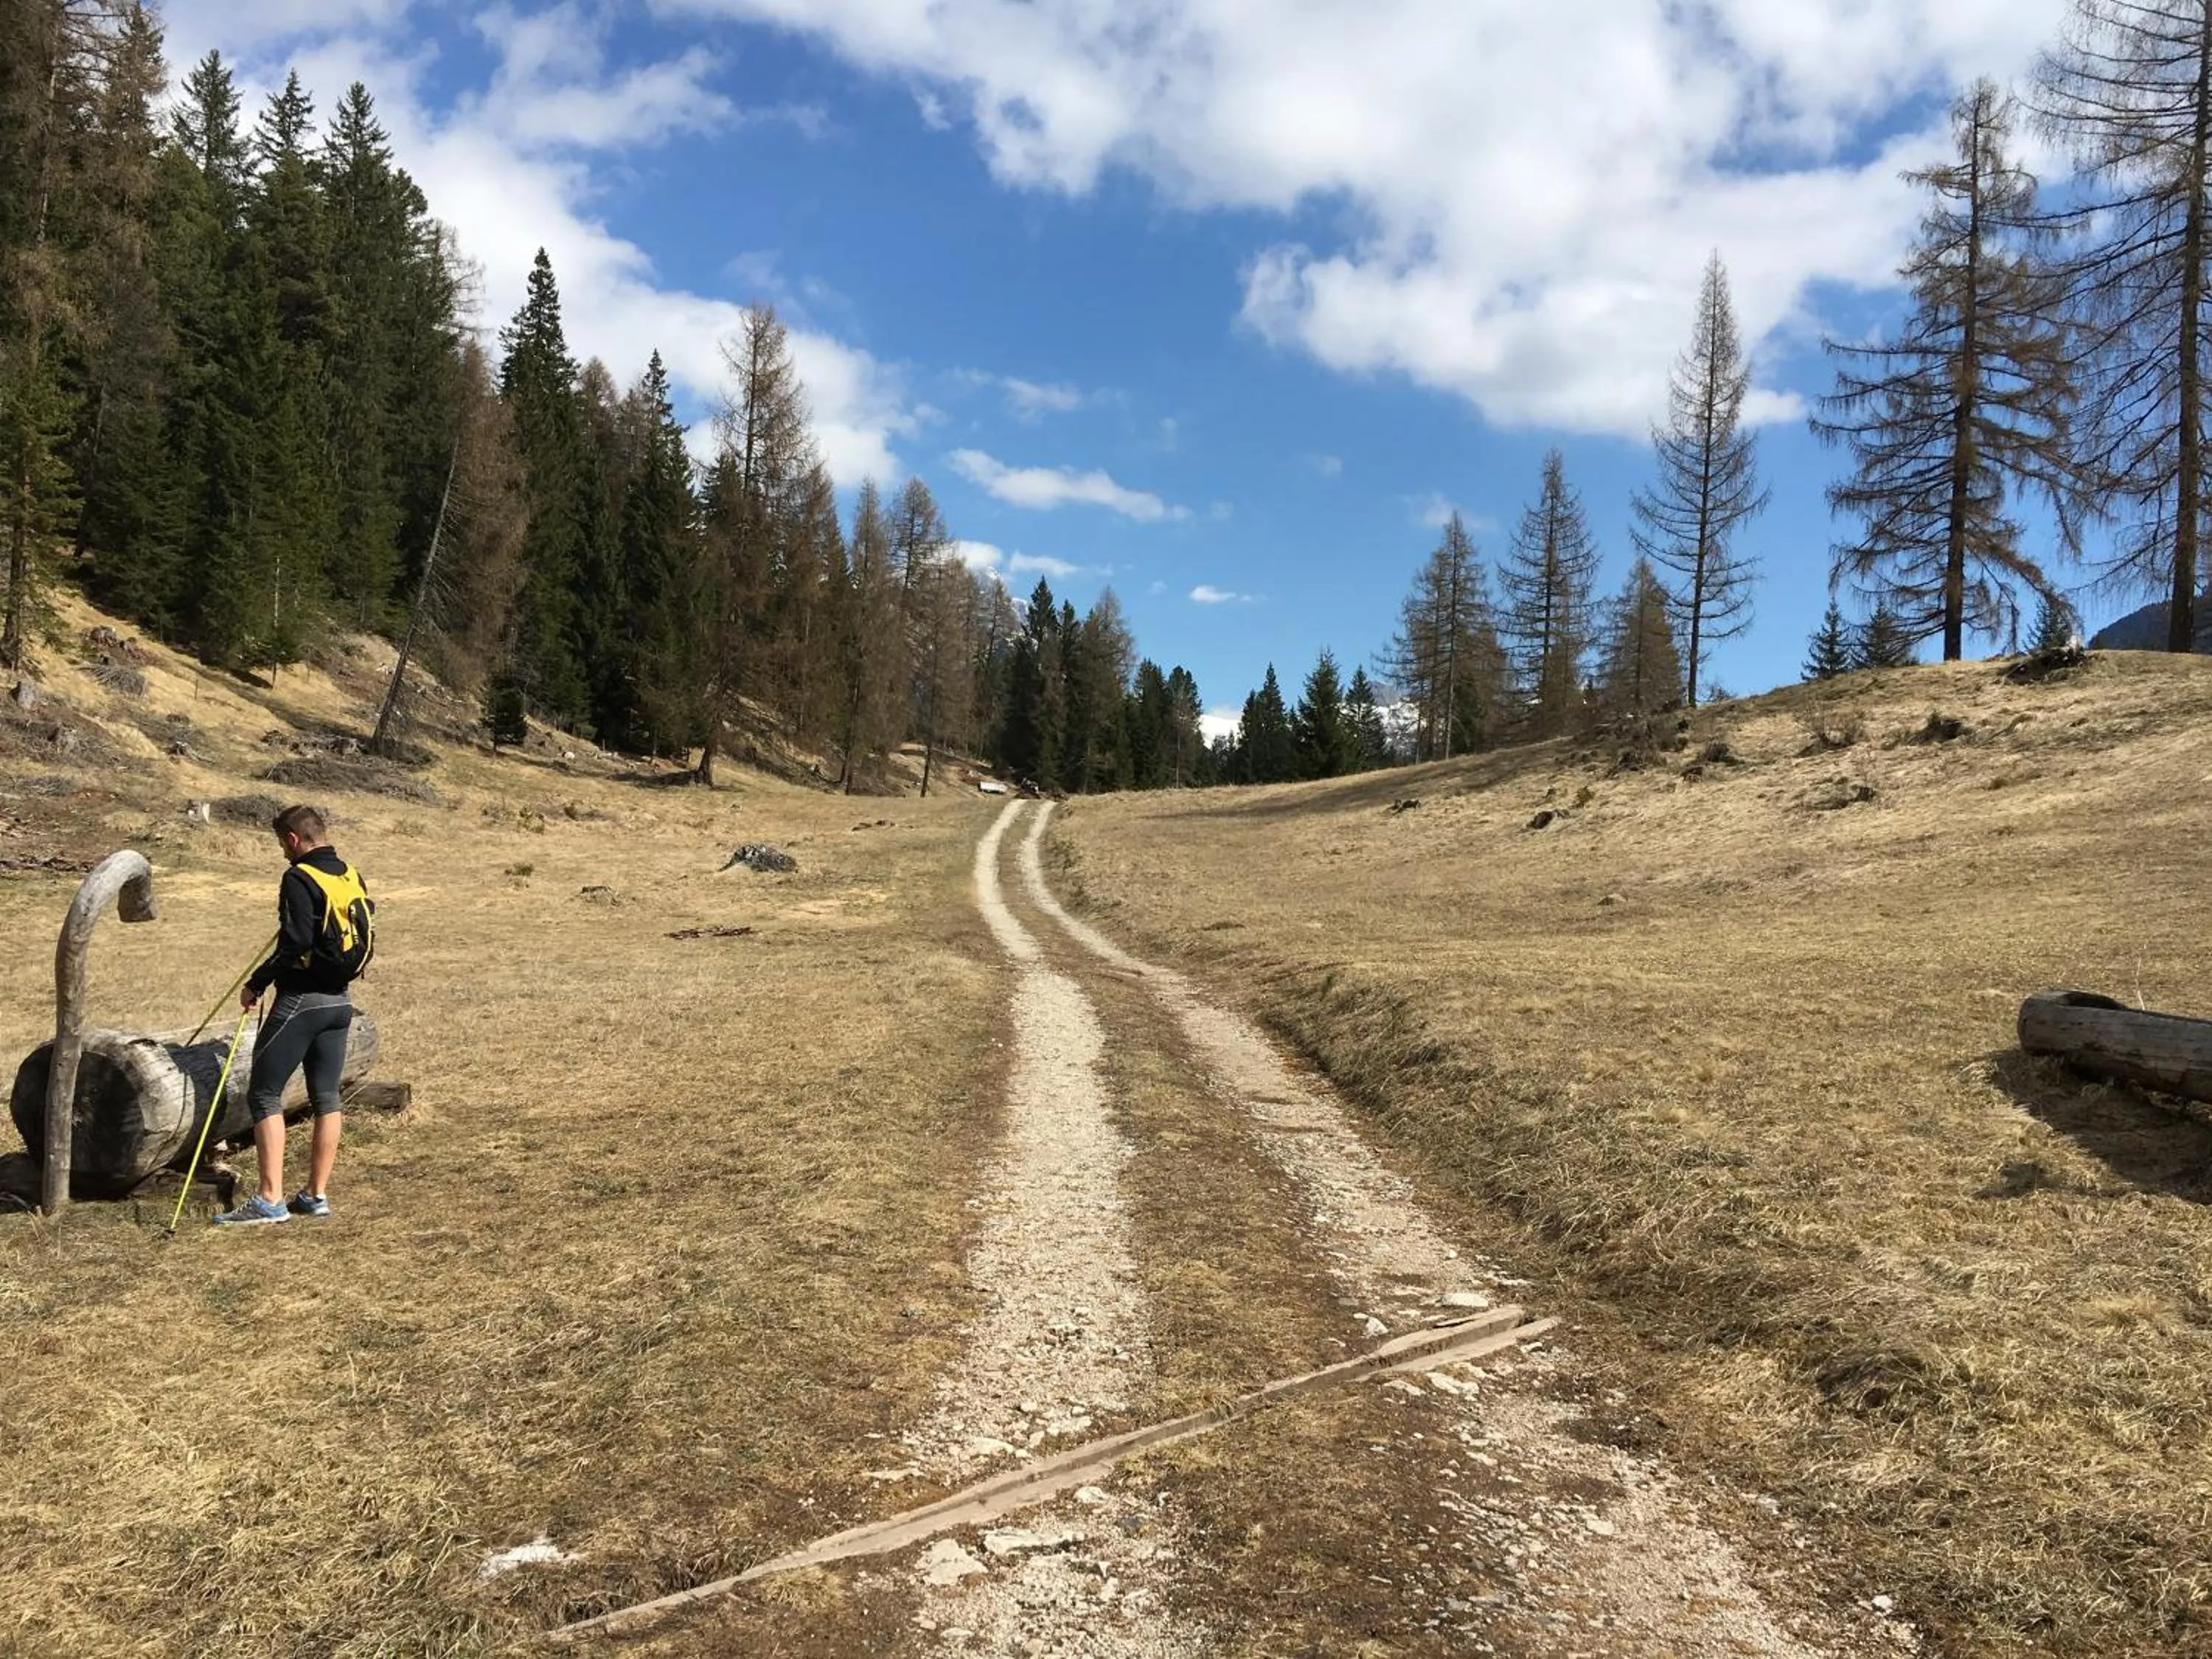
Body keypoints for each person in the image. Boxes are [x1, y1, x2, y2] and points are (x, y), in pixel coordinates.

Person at [212, 804, 375, 1227]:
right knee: (327, 1097)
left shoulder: (298, 877)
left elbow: (297, 941)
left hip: (301, 1001)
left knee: (265, 1094)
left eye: (282, 845)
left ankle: (270, 1199)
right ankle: (315, 1195)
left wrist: (258, 981)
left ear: (292, 840)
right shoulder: (349, 874)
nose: (284, 853)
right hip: (340, 1002)